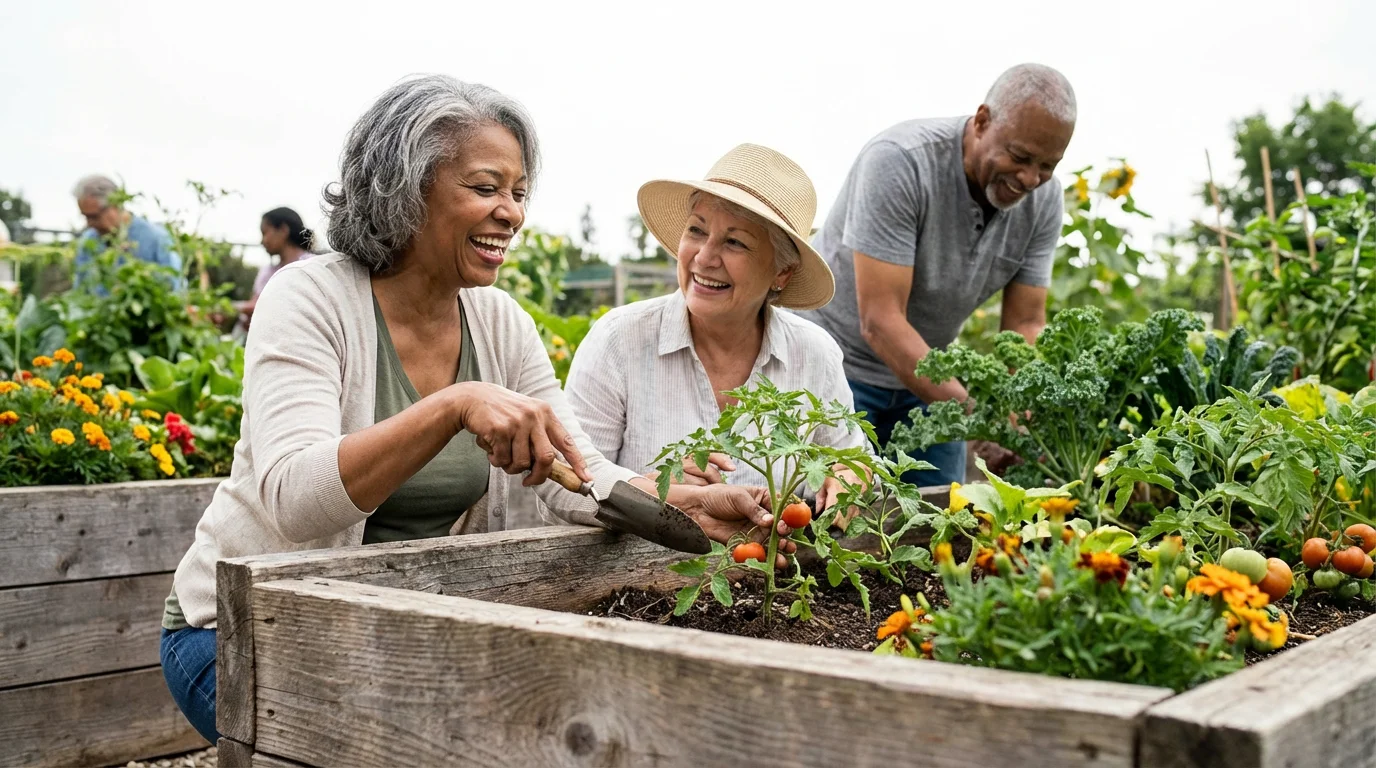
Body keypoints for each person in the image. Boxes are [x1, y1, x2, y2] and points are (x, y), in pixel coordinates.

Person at [158, 75, 793, 744]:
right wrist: (452, 406)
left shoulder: (498, 322)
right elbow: (295, 500)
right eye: (486, 188)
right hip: (240, 631)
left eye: (518, 194)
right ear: (405, 190)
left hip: (398, 630)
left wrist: (680, 507)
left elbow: (580, 471)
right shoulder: (308, 299)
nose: (511, 213)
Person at [800, 63, 1076, 486]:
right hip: (836, 371)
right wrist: (978, 418)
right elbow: (881, 320)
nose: (1029, 178)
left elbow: (1025, 322)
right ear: (982, 121)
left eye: (1047, 166)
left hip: (928, 379)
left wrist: (1015, 415)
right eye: (1020, 157)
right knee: (832, 527)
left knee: (942, 525)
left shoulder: (1044, 200)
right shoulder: (901, 162)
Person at [567, 144, 864, 512]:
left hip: (776, 568)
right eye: (696, 230)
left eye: (735, 242)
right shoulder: (619, 341)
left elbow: (854, 462)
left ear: (781, 273)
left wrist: (850, 475)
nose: (704, 258)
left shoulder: (814, 354)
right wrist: (655, 490)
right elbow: (564, 491)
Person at [72, 174, 183, 290]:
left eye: (94, 217)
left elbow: (173, 288)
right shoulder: (88, 242)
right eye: (85, 217)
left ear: (115, 204)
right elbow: (80, 291)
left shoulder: (156, 238)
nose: (89, 224)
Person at [239, 207, 314, 330]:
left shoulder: (312, 265)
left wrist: (233, 308)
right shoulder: (267, 272)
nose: (263, 241)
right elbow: (255, 304)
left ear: (283, 230)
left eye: (265, 233)